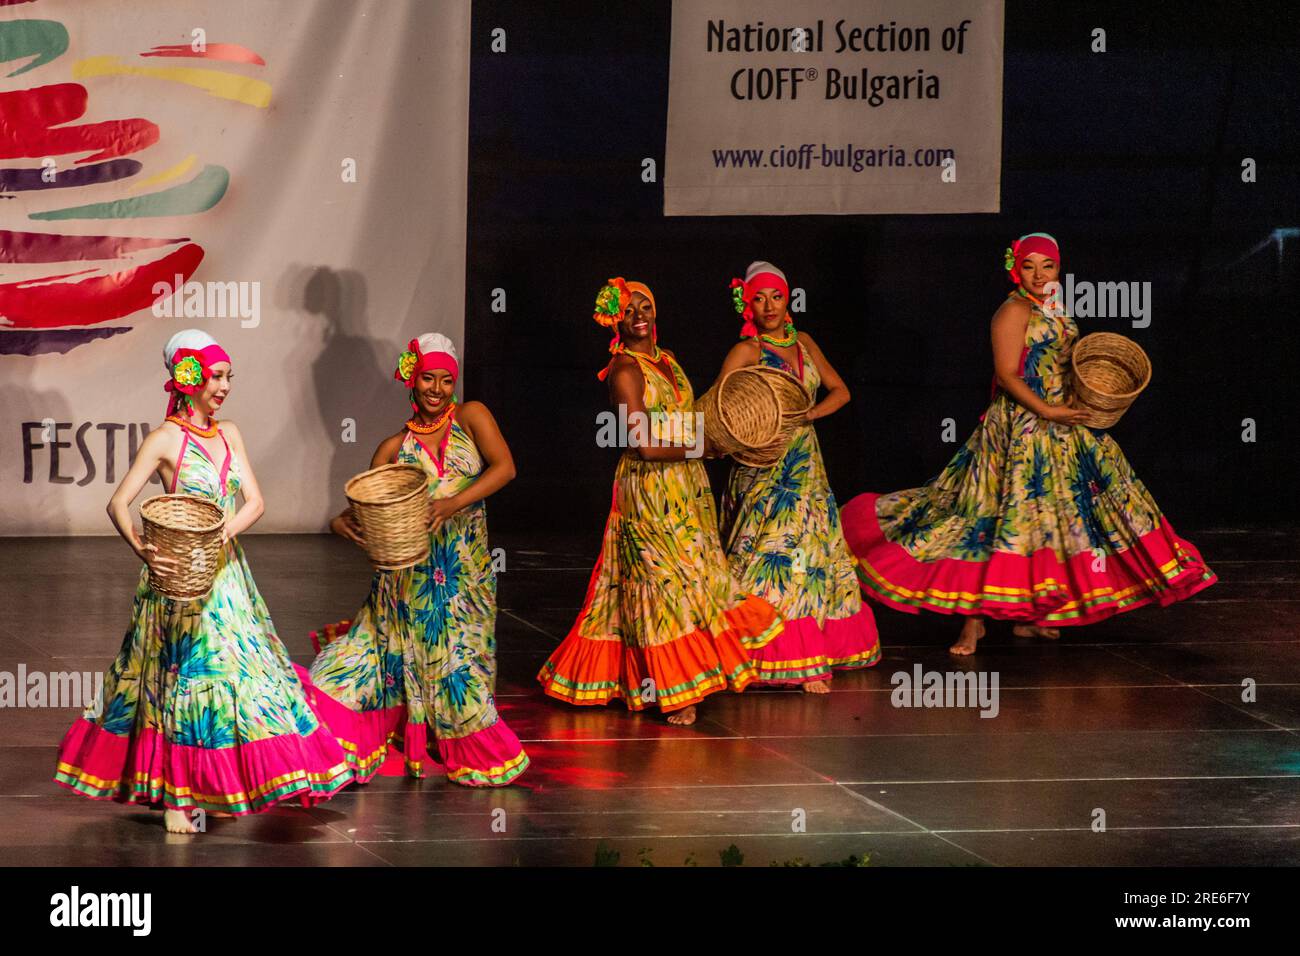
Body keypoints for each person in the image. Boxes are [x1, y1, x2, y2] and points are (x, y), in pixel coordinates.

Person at [841, 233, 1217, 655]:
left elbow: (1063, 359)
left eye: (1048, 266)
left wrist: (1077, 398)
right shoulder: (1012, 311)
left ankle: (1035, 616)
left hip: (1065, 422)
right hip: (1022, 428)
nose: (1039, 275)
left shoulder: (1054, 305)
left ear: (1059, 270)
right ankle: (972, 624)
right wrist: (1048, 410)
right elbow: (1007, 375)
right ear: (1015, 270)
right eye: (1029, 267)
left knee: (1059, 519)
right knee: (997, 518)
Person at [54, 329, 352, 833]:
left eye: (228, 376)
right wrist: (144, 550)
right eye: (215, 376)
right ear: (188, 378)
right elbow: (117, 503)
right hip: (180, 579)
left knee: (247, 677)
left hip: (228, 575)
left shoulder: (230, 432)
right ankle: (178, 794)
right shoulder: (165, 439)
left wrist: (219, 536)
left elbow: (254, 501)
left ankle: (218, 785)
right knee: (187, 682)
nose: (225, 386)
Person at [537, 278, 782, 726]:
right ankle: (674, 689)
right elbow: (642, 445)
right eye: (628, 311)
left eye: (644, 305)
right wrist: (701, 447)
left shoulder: (667, 360)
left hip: (687, 490)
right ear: (617, 321)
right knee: (660, 585)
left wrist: (718, 440)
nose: (638, 315)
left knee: (694, 579)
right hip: (648, 491)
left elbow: (687, 420)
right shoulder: (624, 370)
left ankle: (684, 674)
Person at [305, 333, 529, 786]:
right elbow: (361, 510)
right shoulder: (393, 449)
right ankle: (391, 731)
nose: (438, 389)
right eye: (429, 377)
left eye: (447, 380)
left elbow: (505, 467)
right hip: (409, 584)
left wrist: (452, 503)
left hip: (465, 577)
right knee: (366, 665)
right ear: (412, 377)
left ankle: (451, 737)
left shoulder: (472, 417)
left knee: (462, 665)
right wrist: (337, 525)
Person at [716, 261, 881, 692]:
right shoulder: (747, 351)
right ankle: (750, 651)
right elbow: (720, 408)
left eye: (776, 296)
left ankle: (806, 658)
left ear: (788, 298)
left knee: (810, 558)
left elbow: (841, 390)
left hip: (806, 464)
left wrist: (807, 415)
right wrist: (756, 431)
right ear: (746, 303)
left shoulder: (804, 342)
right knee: (767, 555)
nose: (768, 305)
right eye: (758, 297)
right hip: (763, 466)